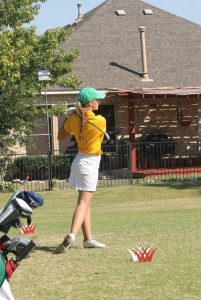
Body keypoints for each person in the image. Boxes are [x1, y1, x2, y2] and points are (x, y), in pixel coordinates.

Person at [55, 87, 107, 254]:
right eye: (97, 99)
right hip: (90, 163)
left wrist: (69, 117)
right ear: (90, 103)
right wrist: (75, 116)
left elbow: (60, 136)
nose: (99, 101)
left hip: (79, 161)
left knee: (86, 202)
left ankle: (88, 239)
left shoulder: (74, 119)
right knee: (83, 202)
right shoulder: (100, 120)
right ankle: (72, 235)